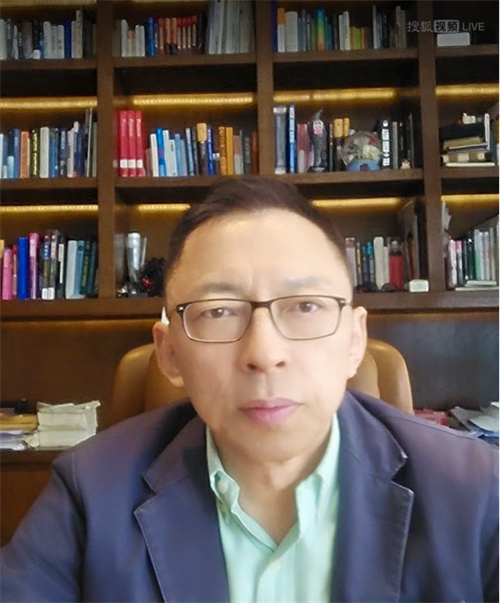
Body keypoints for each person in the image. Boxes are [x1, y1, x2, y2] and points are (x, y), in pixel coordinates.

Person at [1, 176, 498, 603]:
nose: (263, 352)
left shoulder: (479, 491)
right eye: (218, 312)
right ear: (169, 353)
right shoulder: (90, 491)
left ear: (354, 340)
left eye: (305, 306)